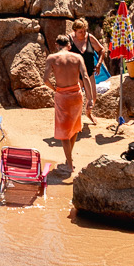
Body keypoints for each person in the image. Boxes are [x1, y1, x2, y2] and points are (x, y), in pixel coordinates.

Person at [46, 35, 87, 169]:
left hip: (62, 95)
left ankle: (69, 165)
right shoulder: (78, 57)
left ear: (56, 45)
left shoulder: (52, 58)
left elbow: (45, 79)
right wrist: (91, 98)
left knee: (64, 132)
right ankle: (69, 158)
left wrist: (55, 89)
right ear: (69, 45)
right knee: (75, 127)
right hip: (76, 94)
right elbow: (85, 76)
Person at [69, 18, 103, 117]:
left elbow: (101, 50)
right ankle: (76, 120)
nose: (83, 33)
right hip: (76, 74)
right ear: (74, 31)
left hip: (89, 72)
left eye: (84, 31)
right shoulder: (69, 40)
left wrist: (99, 63)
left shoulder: (89, 38)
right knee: (77, 100)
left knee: (93, 98)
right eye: (80, 32)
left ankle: (88, 113)